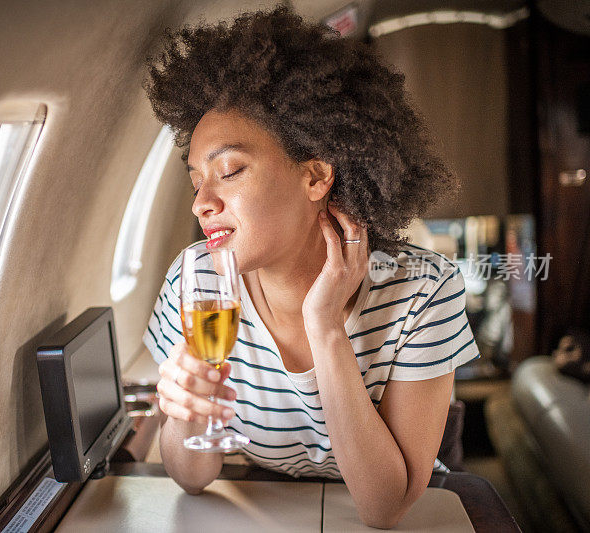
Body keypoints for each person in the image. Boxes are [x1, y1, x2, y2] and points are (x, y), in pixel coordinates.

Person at [141, 6, 480, 529]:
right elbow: (190, 478)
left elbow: (384, 507)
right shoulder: (198, 281)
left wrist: (324, 329)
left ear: (316, 175)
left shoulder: (423, 290)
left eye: (229, 171)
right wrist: (189, 412)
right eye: (195, 181)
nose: (200, 203)